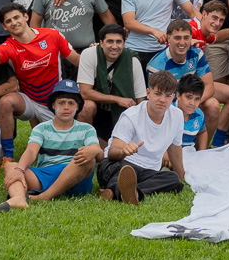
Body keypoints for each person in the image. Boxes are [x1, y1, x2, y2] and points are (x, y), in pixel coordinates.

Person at [0, 3, 81, 159]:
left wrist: (97, 54)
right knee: (6, 102)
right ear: (4, 27)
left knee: (63, 151)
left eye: (16, 17)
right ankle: (8, 156)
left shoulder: (52, 35)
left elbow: (76, 60)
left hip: (55, 100)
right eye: (8, 21)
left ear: (25, 17)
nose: (14, 22)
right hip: (29, 100)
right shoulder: (8, 46)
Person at [0, 82, 101, 212]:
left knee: (89, 160)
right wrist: (19, 169)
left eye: (71, 103)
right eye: (61, 103)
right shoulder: (41, 128)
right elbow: (31, 150)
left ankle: (43, 197)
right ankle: (19, 198)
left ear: (78, 107)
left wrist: (94, 150)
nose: (66, 107)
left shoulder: (86, 129)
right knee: (11, 166)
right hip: (46, 175)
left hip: (76, 177)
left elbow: (99, 155)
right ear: (53, 105)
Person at [98, 71, 187, 204]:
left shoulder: (177, 116)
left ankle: (118, 192)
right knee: (119, 171)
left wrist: (181, 177)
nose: (162, 100)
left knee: (173, 179)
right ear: (148, 93)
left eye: (168, 96)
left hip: (149, 170)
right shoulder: (131, 116)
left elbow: (175, 148)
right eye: (157, 94)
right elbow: (112, 151)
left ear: (173, 97)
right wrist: (123, 151)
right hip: (122, 163)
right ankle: (124, 190)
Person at [147, 20, 229, 131]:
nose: (182, 42)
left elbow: (209, 87)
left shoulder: (196, 53)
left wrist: (193, 103)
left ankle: (206, 146)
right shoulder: (156, 66)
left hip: (189, 97)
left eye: (186, 38)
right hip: (168, 105)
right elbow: (157, 99)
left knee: (214, 104)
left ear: (191, 38)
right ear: (168, 38)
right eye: (177, 38)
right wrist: (181, 106)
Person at [77, 24, 147, 143]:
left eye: (119, 42)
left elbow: (141, 99)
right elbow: (84, 92)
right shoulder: (89, 54)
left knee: (112, 151)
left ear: (124, 44)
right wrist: (118, 99)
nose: (114, 46)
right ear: (101, 43)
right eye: (110, 41)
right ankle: (82, 144)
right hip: (99, 109)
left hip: (122, 111)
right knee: (86, 107)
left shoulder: (132, 60)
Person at [177, 75, 211, 150]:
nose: (192, 103)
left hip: (189, 155)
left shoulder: (199, 115)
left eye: (197, 99)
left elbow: (202, 132)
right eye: (188, 97)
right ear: (178, 95)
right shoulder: (168, 112)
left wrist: (202, 153)